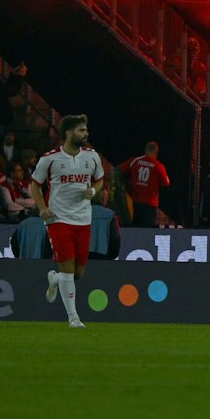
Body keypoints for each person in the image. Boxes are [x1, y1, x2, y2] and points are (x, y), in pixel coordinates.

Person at [30, 114, 109, 329]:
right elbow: (35, 185)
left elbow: (101, 180)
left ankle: (55, 280)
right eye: (81, 130)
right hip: (58, 218)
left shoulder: (92, 157)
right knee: (67, 269)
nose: (86, 134)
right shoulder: (50, 158)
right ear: (68, 133)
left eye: (86, 130)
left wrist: (93, 190)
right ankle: (73, 318)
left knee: (78, 273)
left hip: (83, 218)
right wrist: (43, 208)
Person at [122, 141, 170, 227]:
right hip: (150, 204)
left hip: (135, 202)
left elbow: (119, 170)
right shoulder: (158, 166)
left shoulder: (135, 161)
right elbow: (165, 183)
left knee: (135, 230)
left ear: (145, 150)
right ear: (156, 152)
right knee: (147, 232)